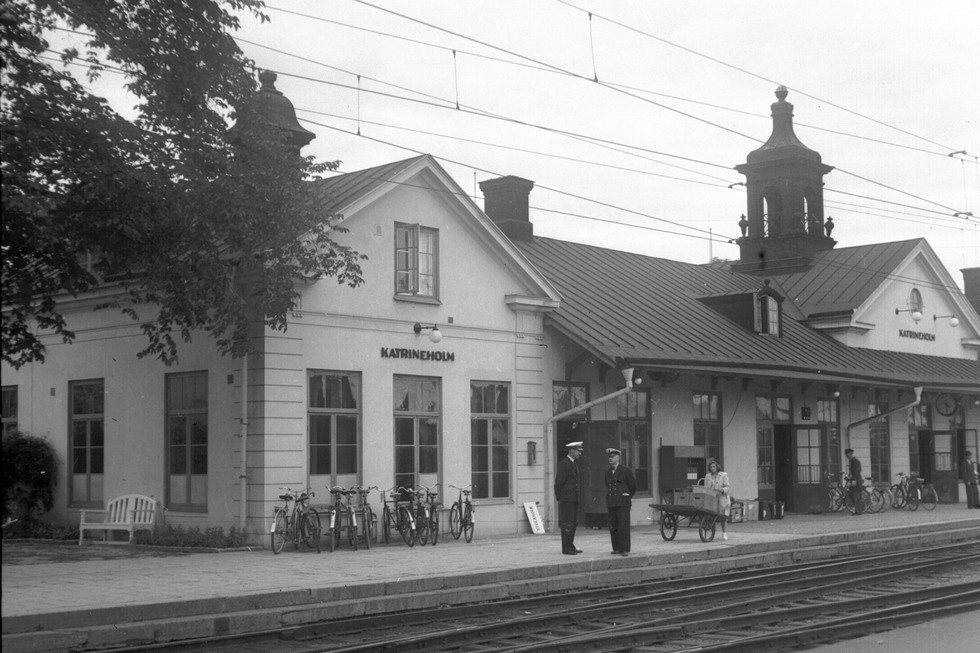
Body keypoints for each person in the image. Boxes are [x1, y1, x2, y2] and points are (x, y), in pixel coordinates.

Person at [604, 448, 636, 556]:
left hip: (623, 502)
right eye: (609, 457)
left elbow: (632, 486)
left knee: (623, 525)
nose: (610, 459)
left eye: (612, 457)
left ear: (618, 458)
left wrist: (627, 495)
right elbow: (607, 486)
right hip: (612, 502)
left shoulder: (625, 470)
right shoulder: (607, 472)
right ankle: (616, 548)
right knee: (614, 526)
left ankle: (625, 548)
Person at [555, 441, 584, 555]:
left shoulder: (573, 464)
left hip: (573, 499)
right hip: (566, 499)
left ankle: (570, 545)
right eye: (578, 451)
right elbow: (559, 483)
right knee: (567, 523)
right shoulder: (564, 464)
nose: (580, 453)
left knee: (572, 523)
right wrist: (560, 497)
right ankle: (566, 548)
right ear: (571, 451)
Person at [703, 459, 731, 540]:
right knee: (710, 515)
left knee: (723, 517)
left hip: (721, 498)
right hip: (711, 498)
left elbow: (728, 487)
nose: (712, 468)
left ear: (717, 467)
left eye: (713, 467)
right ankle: (710, 532)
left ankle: (724, 533)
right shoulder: (707, 476)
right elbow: (705, 487)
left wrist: (722, 490)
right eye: (711, 467)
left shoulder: (723, 475)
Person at [844, 448, 863, 515]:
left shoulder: (855, 461)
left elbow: (857, 470)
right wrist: (850, 476)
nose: (846, 456)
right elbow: (853, 471)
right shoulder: (852, 461)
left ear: (850, 454)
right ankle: (857, 509)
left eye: (847, 454)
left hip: (857, 480)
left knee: (857, 495)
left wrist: (854, 479)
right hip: (854, 479)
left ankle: (859, 511)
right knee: (850, 494)